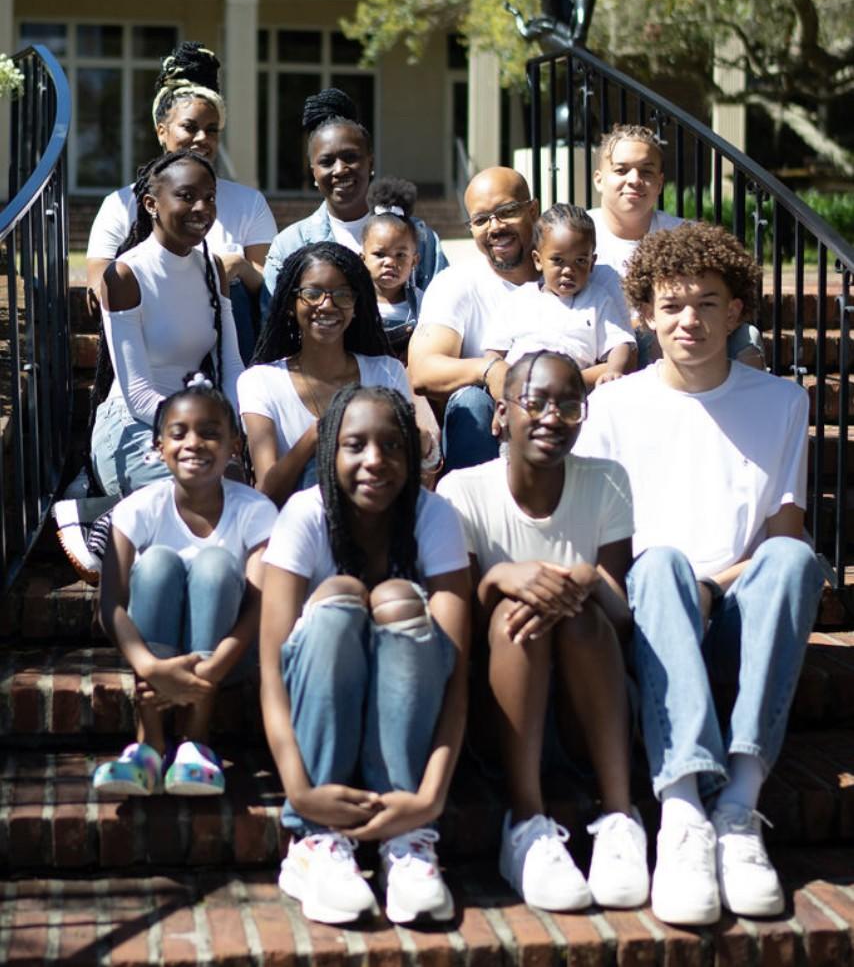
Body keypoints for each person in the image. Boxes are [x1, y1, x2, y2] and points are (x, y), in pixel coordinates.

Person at [573, 223, 824, 926]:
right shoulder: (614, 407)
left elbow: (781, 537)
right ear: (645, 313)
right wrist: (685, 585)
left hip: (739, 617)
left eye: (708, 303)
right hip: (651, 618)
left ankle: (739, 806)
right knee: (660, 564)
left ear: (736, 310)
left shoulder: (782, 401)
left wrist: (716, 587)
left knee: (796, 559)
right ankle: (682, 808)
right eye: (673, 305)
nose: (690, 320)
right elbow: (603, 544)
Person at [437, 350, 648, 912]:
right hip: (501, 713)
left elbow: (623, 615)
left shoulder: (606, 481)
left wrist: (584, 579)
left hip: (590, 706)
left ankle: (620, 817)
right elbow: (458, 625)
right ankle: (526, 823)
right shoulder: (463, 491)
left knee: (580, 612)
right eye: (535, 402)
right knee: (516, 612)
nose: (553, 416)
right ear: (500, 417)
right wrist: (502, 577)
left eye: (569, 405)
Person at [259, 384, 470, 925]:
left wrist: (429, 798)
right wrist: (300, 792)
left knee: (398, 600)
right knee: (341, 597)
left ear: (410, 452)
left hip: (408, 754)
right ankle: (316, 843)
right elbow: (271, 672)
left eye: (392, 446)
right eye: (356, 445)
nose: (375, 461)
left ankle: (407, 840)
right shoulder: (305, 515)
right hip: (317, 740)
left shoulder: (435, 516)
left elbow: (456, 678)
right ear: (331, 451)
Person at [54, 151, 245, 584]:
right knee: (209, 483)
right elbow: (138, 392)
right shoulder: (126, 275)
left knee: (230, 481)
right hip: (134, 425)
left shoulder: (213, 268)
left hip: (197, 419)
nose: (202, 209)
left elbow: (231, 364)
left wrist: (232, 427)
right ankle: (102, 519)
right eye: (187, 196)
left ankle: (119, 519)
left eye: (210, 198)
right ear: (151, 204)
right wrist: (198, 431)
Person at [93, 375, 277, 797]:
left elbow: (259, 606)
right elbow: (111, 605)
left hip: (228, 659)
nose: (194, 443)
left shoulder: (256, 511)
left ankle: (197, 739)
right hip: (154, 656)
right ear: (159, 448)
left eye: (211, 433)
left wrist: (210, 670)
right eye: (179, 433)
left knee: (214, 564)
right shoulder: (138, 508)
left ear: (235, 446)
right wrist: (149, 666)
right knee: (156, 563)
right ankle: (150, 742)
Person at [86, 41, 276, 364]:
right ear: (162, 131)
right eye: (190, 127)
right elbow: (99, 285)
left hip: (232, 348)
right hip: (151, 351)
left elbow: (269, 287)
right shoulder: (120, 206)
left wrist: (241, 267)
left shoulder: (249, 203)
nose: (202, 138)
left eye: (212, 130)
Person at [238, 243, 413, 507]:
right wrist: (317, 435)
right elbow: (266, 493)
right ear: (290, 304)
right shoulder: (260, 381)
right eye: (312, 293)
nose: (327, 305)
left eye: (342, 294)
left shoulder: (387, 371)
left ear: (355, 304)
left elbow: (405, 473)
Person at [590, 123, 764, 368]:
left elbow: (731, 297)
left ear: (660, 183)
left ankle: (748, 404)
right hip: (604, 347)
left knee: (747, 337)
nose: (634, 180)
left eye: (646, 172)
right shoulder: (576, 236)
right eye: (621, 170)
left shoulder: (686, 236)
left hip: (675, 339)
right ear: (599, 180)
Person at [408, 167, 540, 472]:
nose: (495, 227)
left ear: (533, 210)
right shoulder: (457, 284)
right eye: (481, 220)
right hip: (489, 425)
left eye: (506, 212)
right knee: (471, 401)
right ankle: (471, 514)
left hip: (561, 409)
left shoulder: (566, 273)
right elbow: (423, 370)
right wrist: (490, 370)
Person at [263, 88, 446, 300]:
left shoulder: (421, 239)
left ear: (371, 163)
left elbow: (447, 314)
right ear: (313, 172)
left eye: (350, 157)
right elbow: (273, 323)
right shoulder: (290, 245)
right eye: (326, 162)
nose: (340, 169)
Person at [482, 204, 637, 396]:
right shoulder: (519, 301)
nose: (568, 271)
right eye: (558, 260)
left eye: (580, 261)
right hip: (521, 392)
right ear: (538, 260)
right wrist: (502, 394)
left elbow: (620, 343)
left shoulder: (598, 300)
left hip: (572, 393)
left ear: (592, 263)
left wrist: (614, 370)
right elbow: (494, 354)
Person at [361, 176, 424, 357]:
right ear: (362, 258)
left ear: (414, 261)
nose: (390, 262)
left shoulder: (424, 304)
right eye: (380, 254)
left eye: (400, 255)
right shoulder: (353, 301)